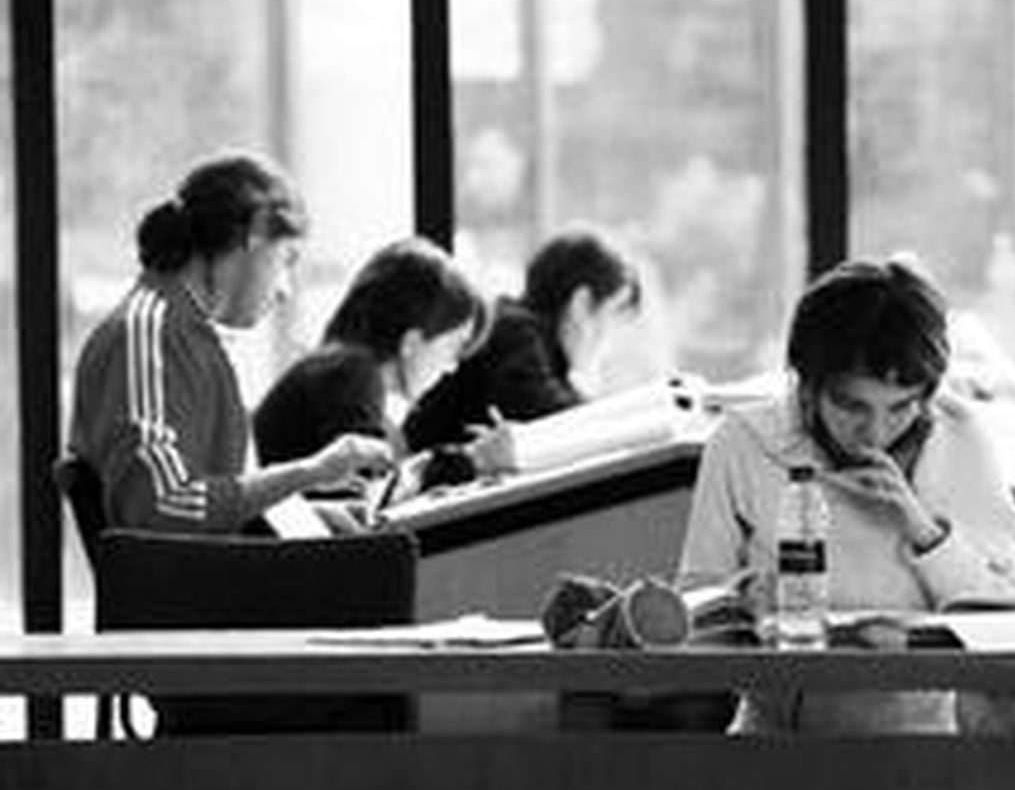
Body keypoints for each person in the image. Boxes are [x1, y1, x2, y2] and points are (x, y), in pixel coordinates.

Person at [678, 257, 1015, 734]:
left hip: (926, 740)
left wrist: (923, 530)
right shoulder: (742, 442)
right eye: (850, 405)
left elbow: (1002, 617)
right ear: (808, 383)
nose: (874, 432)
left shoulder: (959, 437)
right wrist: (747, 598)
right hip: (773, 737)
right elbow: (695, 600)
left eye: (900, 407)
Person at [68, 154, 392, 533]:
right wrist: (310, 472)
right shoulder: (147, 333)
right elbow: (161, 506)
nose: (285, 290)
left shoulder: (186, 333)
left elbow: (216, 499)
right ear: (254, 234)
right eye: (287, 260)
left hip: (219, 576)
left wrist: (308, 516)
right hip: (198, 589)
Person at [254, 237, 488, 492]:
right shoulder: (351, 374)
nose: (452, 366)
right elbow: (371, 493)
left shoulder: (342, 369)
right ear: (412, 341)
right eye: (454, 346)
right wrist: (475, 461)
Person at [403, 225, 642, 452]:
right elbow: (548, 416)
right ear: (581, 303)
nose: (609, 341)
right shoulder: (513, 331)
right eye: (612, 317)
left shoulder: (532, 343)